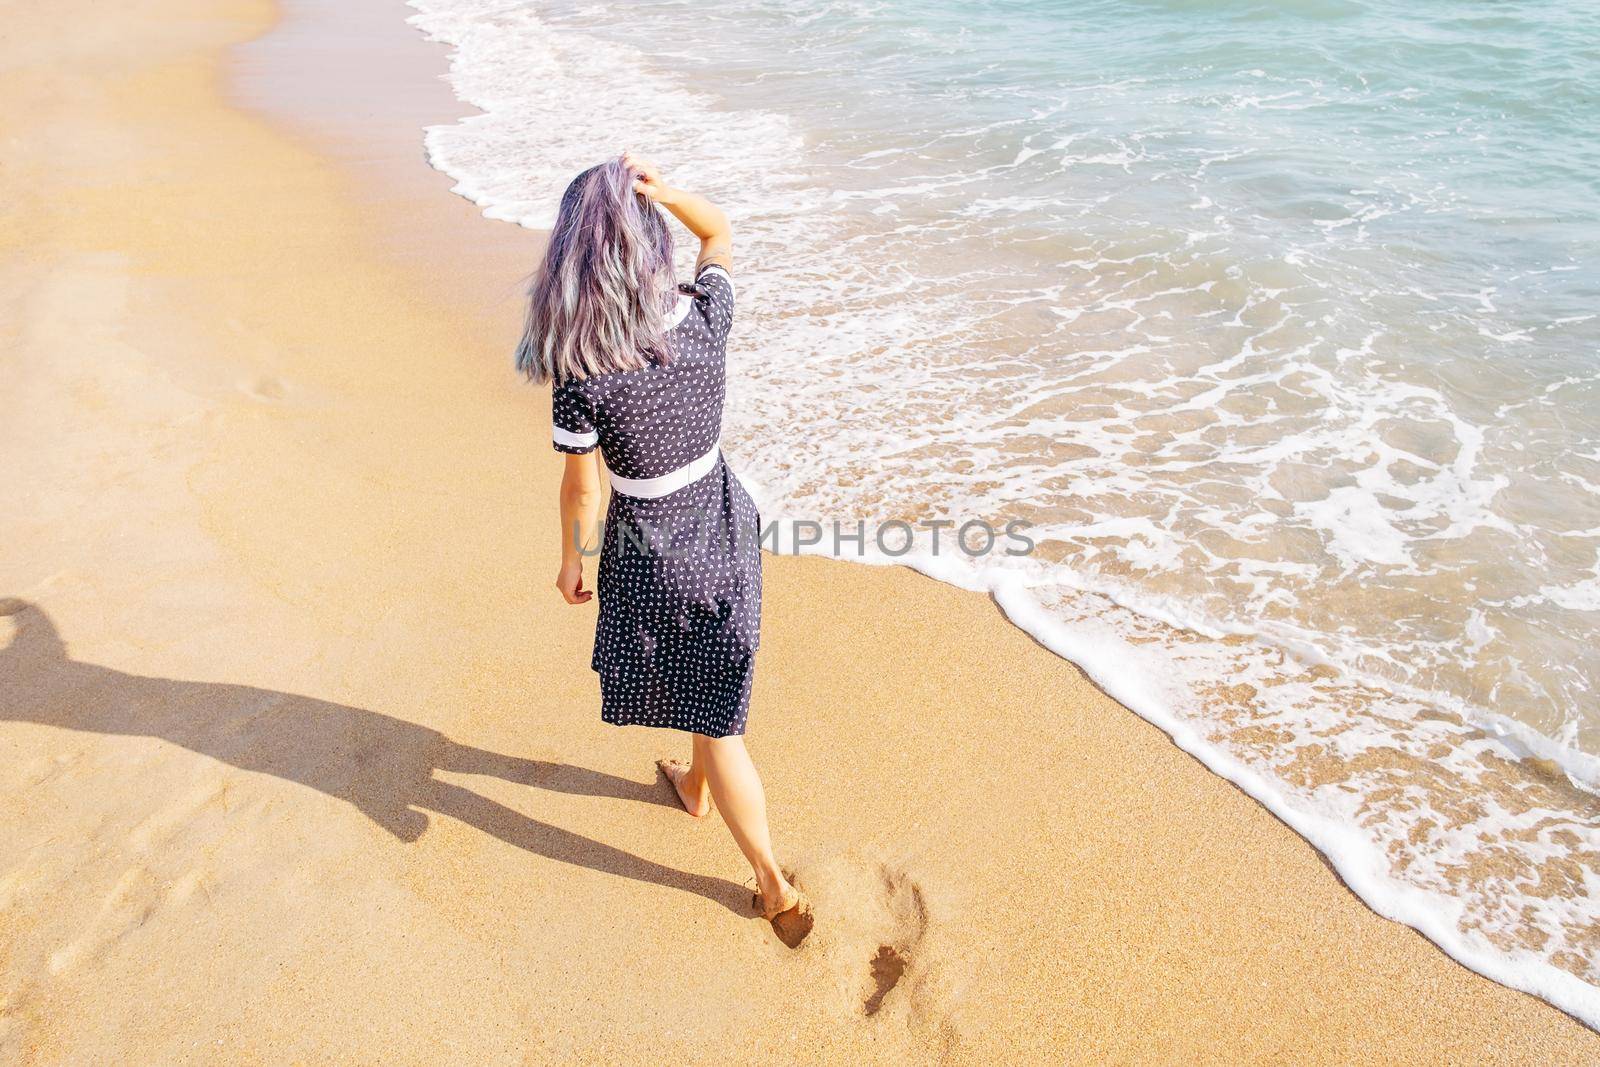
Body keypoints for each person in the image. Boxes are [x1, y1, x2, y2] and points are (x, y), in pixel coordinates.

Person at [518, 152, 811, 945]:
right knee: (707, 671)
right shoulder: (706, 316)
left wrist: (575, 555)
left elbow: (583, 489)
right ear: (652, 244)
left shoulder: (582, 368)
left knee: (721, 723)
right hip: (722, 520)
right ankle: (693, 785)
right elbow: (718, 230)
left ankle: (771, 880)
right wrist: (660, 192)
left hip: (653, 549)